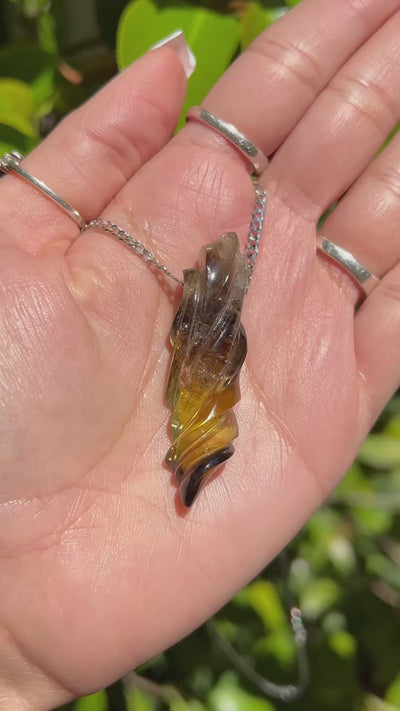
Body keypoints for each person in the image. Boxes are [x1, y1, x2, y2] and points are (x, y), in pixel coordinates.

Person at [1, 0, 400, 707]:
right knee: (198, 405)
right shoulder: (202, 309)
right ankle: (196, 451)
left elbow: (216, 342)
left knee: (204, 406)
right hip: (200, 399)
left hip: (208, 400)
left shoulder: (218, 313)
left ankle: (198, 452)